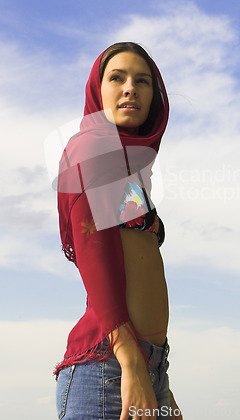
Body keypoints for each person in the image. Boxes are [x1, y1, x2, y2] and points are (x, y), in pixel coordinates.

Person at [55, 42, 182, 420]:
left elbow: (132, 263)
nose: (131, 88)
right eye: (117, 78)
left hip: (146, 366)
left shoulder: (131, 175)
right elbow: (94, 252)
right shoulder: (92, 151)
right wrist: (131, 364)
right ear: (98, 90)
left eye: (142, 81)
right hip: (109, 368)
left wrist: (160, 381)